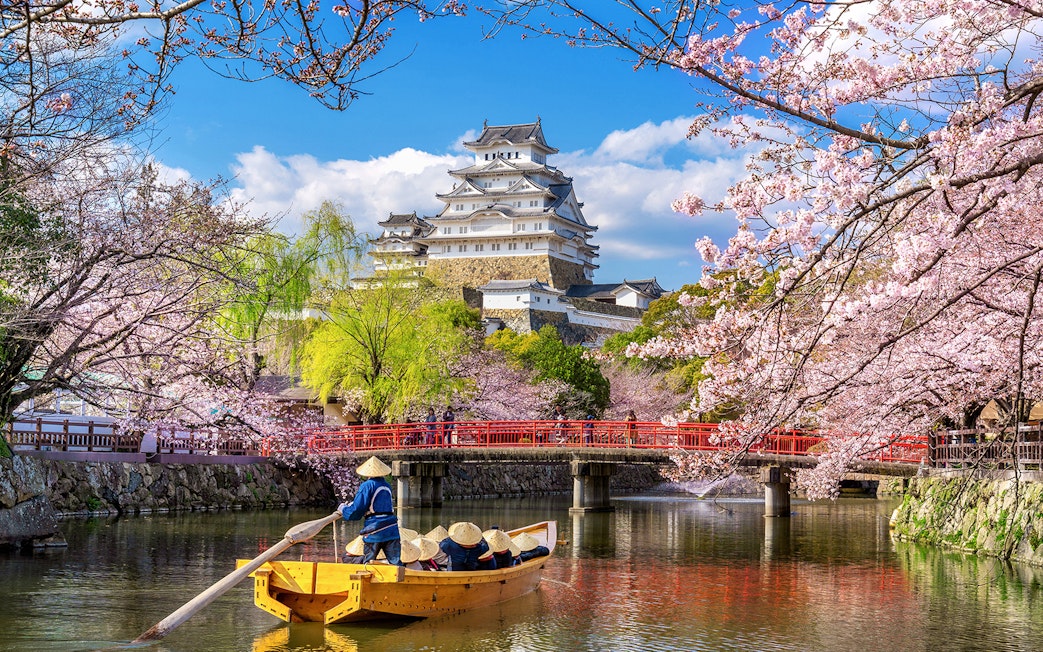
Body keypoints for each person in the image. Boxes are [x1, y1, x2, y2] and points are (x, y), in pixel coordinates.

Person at [337, 456, 401, 565]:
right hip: (392, 528)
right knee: (395, 562)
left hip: (375, 528)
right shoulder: (387, 485)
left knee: (369, 561)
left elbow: (357, 509)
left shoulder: (367, 486)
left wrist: (344, 509)